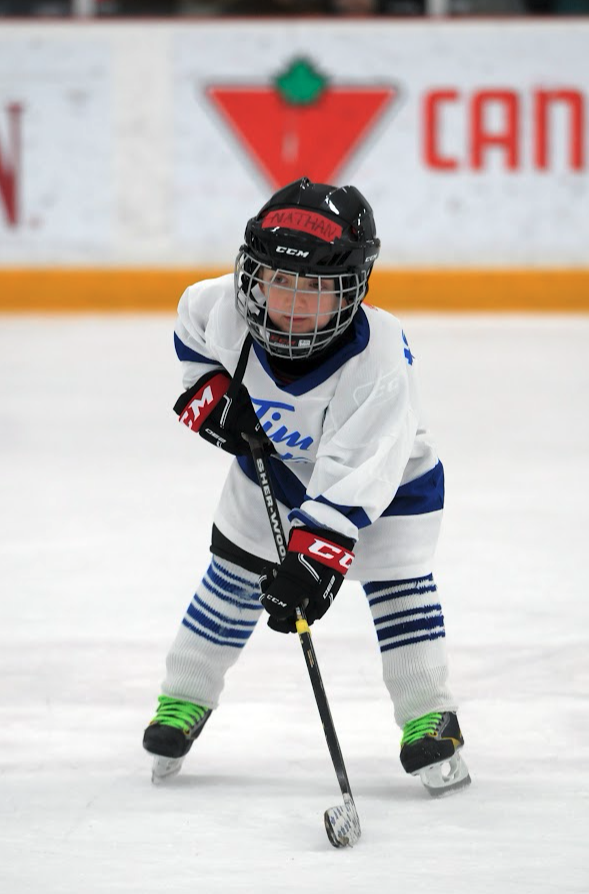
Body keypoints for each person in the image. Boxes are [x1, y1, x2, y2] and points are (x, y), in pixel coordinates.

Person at [143, 176, 470, 796]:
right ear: (253, 275)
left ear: (353, 290)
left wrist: (313, 558)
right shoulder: (222, 306)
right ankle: (181, 698)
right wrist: (211, 398)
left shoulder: (377, 361)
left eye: (317, 287)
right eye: (281, 280)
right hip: (279, 468)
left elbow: (359, 473)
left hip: (391, 485)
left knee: (400, 595)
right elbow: (192, 335)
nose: (292, 300)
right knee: (229, 583)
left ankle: (430, 716)